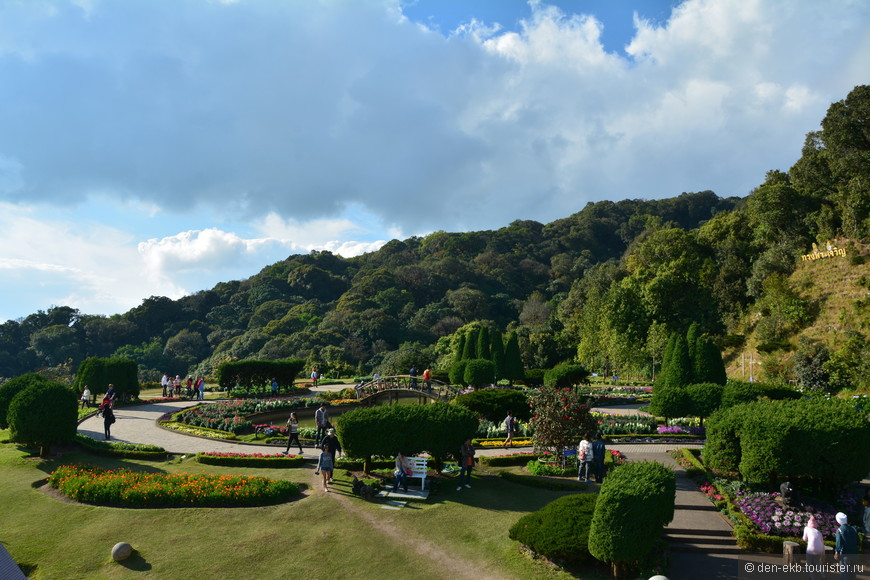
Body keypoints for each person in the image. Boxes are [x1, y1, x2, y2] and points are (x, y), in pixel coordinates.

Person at [834, 511, 858, 579]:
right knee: (852, 574)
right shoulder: (853, 529)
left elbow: (838, 543)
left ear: (838, 521)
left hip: (845, 554)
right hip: (854, 553)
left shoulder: (839, 530)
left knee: (845, 573)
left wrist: (837, 552)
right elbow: (857, 541)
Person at [802, 515, 824, 579]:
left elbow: (804, 538)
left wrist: (807, 540)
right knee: (817, 562)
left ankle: (812, 577)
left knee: (809, 563)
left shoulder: (806, 528)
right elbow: (822, 542)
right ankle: (822, 574)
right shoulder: (819, 532)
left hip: (811, 549)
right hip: (820, 549)